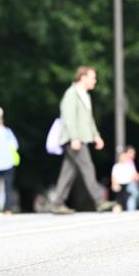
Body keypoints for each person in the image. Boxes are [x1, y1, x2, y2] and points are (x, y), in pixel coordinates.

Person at [50, 66, 115, 214]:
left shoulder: (84, 95)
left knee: (68, 172)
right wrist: (74, 138)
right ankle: (99, 201)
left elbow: (88, 120)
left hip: (80, 139)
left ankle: (57, 203)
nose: (95, 80)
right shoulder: (71, 94)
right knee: (88, 168)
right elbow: (68, 118)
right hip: (74, 139)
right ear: (83, 77)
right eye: (92, 77)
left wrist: (96, 135)